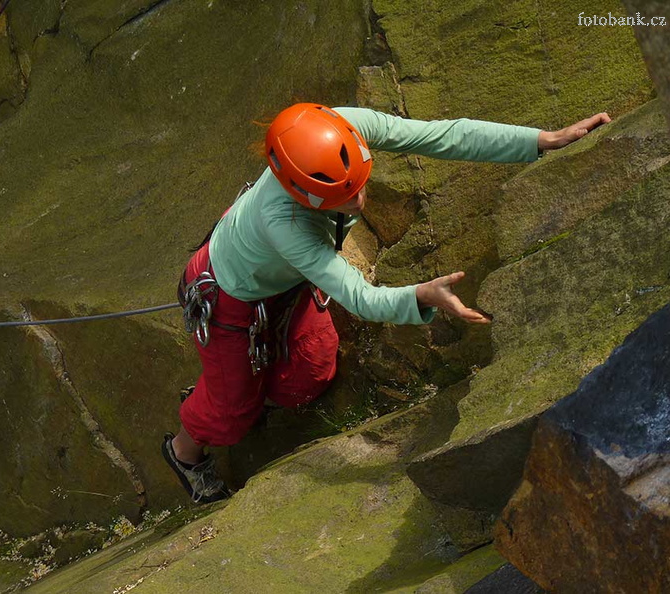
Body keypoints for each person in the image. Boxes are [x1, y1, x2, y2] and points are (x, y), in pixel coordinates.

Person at [162, 103, 611, 503]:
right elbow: (361, 297)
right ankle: (186, 447)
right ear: (302, 195)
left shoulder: (340, 128)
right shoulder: (284, 223)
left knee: (309, 378)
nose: (359, 201)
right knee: (232, 416)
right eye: (343, 199)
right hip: (229, 296)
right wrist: (419, 296)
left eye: (358, 186)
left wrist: (541, 140)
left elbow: (441, 135)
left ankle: (230, 385)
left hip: (284, 278)